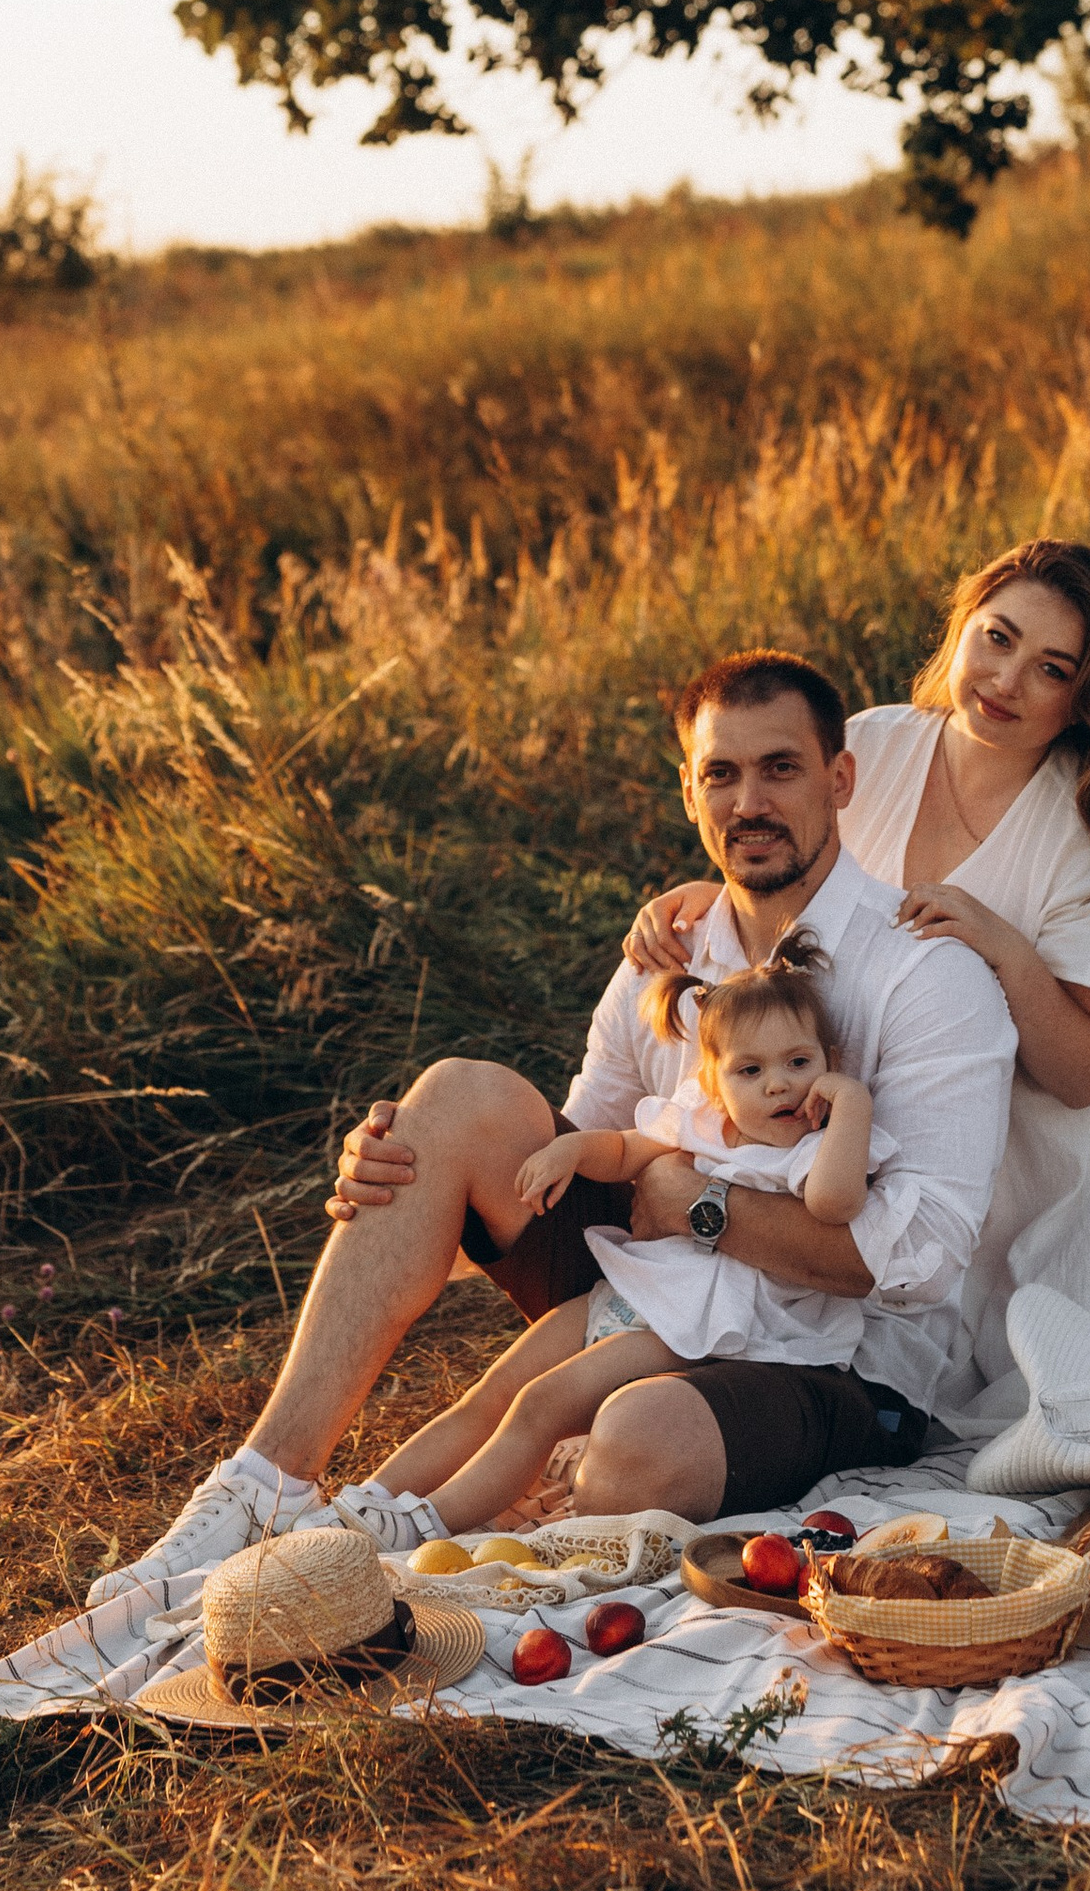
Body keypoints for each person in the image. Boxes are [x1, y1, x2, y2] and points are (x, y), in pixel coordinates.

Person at [86, 651, 1016, 1615]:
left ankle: (444, 1519)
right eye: (721, 774)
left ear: (840, 779)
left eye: (780, 768)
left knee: (636, 1442)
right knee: (453, 1099)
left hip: (836, 1359)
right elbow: (571, 1161)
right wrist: (409, 1193)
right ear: (689, 791)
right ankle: (263, 1489)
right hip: (660, 1292)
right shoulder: (671, 956)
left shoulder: (924, 974)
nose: (750, 802)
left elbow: (920, 1262)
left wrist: (699, 1207)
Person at [627, 541, 1090, 1421]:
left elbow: (1087, 1072)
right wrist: (711, 894)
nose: (1007, 681)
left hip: (1076, 1162)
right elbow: (794, 865)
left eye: (1051, 669)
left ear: (1083, 700)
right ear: (961, 629)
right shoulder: (873, 744)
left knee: (1085, 1387)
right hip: (905, 1119)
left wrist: (1006, 950)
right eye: (998, 638)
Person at [361, 931, 886, 1537]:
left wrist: (851, 1103)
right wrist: (571, 1149)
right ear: (716, 1083)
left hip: (690, 1330)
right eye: (751, 1069)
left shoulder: (816, 1151)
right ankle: (372, 1499)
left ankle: (426, 1524)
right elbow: (623, 1152)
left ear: (829, 1062)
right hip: (631, 1295)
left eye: (800, 1063)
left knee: (541, 1405)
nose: (779, 1085)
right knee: (495, 1391)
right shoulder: (703, 1124)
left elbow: (834, 1202)